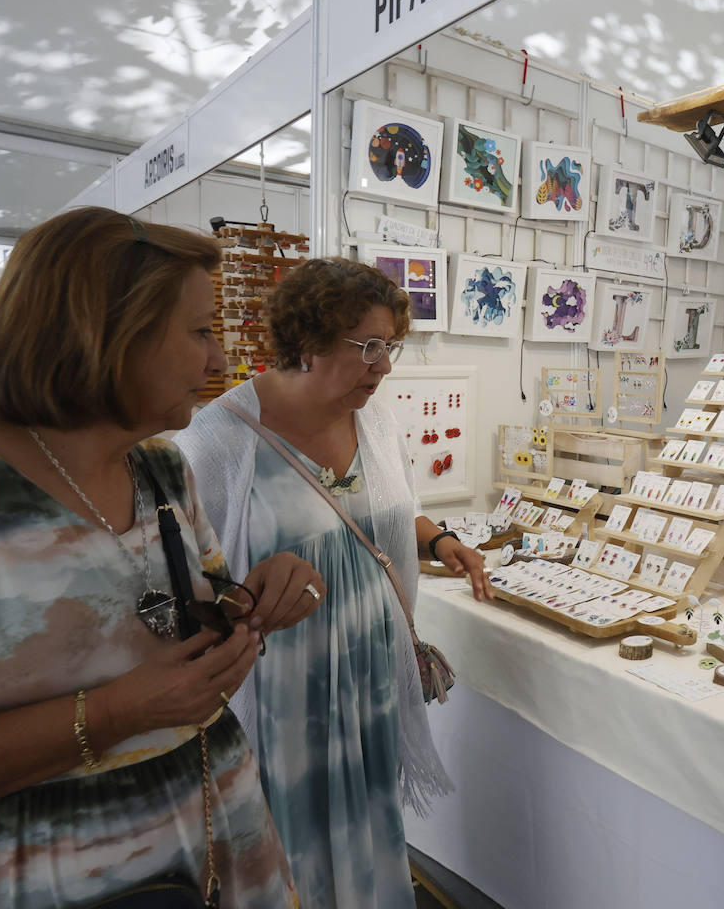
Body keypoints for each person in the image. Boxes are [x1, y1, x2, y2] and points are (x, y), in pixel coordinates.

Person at [0, 207, 324, 906]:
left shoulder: (160, 466)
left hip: (211, 855)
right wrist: (109, 714)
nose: (218, 362)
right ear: (104, 329)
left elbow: (196, 611)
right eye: (201, 331)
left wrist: (260, 599)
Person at [176, 257, 492, 909]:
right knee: (291, 841)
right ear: (309, 341)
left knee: (372, 827)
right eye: (368, 346)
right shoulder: (222, 441)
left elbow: (385, 510)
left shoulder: (373, 419)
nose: (384, 365)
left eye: (391, 346)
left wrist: (440, 540)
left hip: (370, 674)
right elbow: (186, 583)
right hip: (285, 692)